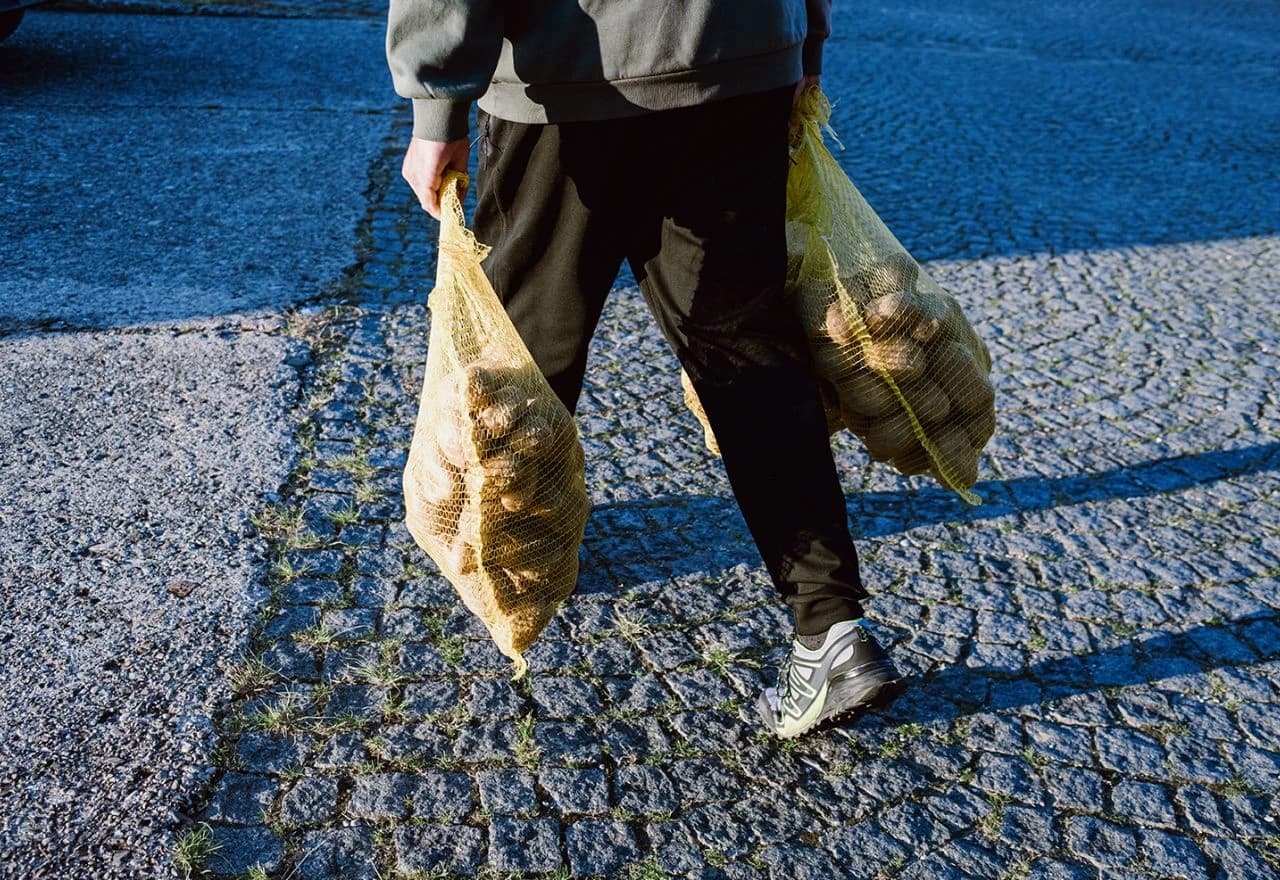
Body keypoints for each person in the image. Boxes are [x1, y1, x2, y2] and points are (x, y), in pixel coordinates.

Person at [386, 0, 906, 739]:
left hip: (571, 73)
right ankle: (830, 630)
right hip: (741, 51)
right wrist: (802, 41)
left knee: (520, 359)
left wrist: (436, 103)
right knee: (748, 349)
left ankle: (515, 560)